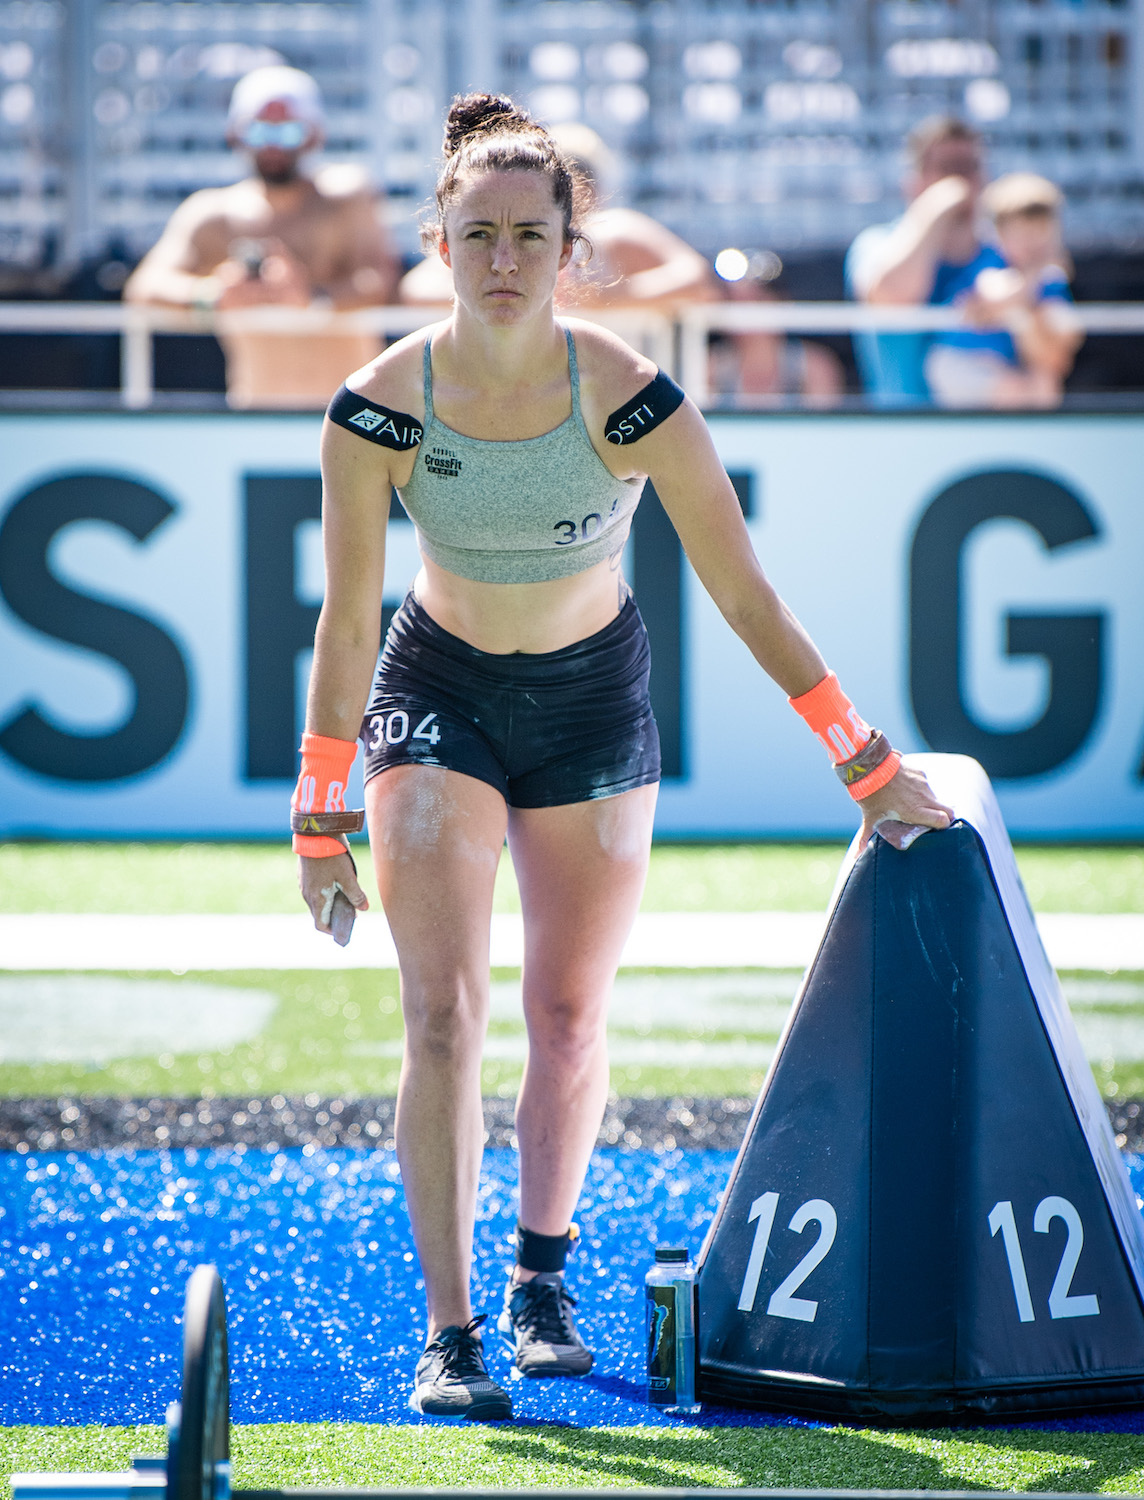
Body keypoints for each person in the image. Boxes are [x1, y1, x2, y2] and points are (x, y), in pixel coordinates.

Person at [291, 93, 953, 1422]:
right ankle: (454, 1329)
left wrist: (863, 761)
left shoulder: (635, 399)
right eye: (475, 233)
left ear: (567, 246)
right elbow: (350, 618)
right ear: (435, 240)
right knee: (440, 1013)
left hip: (596, 704)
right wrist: (319, 819)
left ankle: (543, 1277)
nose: (500, 261)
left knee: (570, 1014)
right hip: (437, 696)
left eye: (528, 235)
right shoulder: (376, 412)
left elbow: (748, 596)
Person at [124, 66, 399, 408]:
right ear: (235, 134)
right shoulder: (214, 215)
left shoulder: (346, 199)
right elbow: (144, 288)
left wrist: (311, 299)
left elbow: (380, 281)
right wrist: (211, 296)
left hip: (352, 418)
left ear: (315, 135)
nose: (272, 145)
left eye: (287, 132)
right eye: (259, 131)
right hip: (256, 417)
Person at [399, 121, 715, 313]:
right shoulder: (501, 230)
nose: (576, 190)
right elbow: (416, 291)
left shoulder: (615, 230)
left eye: (582, 175)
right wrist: (505, 295)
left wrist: (610, 296)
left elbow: (696, 279)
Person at [845, 116, 992, 407]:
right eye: (947, 168)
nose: (960, 180)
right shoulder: (876, 243)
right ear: (914, 180)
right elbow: (892, 296)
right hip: (905, 438)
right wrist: (938, 205)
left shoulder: (1001, 254)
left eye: (969, 167)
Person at [924, 172, 1084, 409]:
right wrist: (1036, 276)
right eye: (1023, 233)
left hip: (1005, 370)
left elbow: (1061, 349)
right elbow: (994, 294)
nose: (1033, 243)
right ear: (999, 234)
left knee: (1044, 381)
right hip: (959, 363)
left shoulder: (1051, 282)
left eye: (1041, 232)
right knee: (1012, 388)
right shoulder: (990, 261)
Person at [710, 256, 844, 408]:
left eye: (757, 300)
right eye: (735, 301)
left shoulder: (815, 366)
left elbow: (823, 427)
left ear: (781, 301)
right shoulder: (711, 368)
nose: (747, 311)